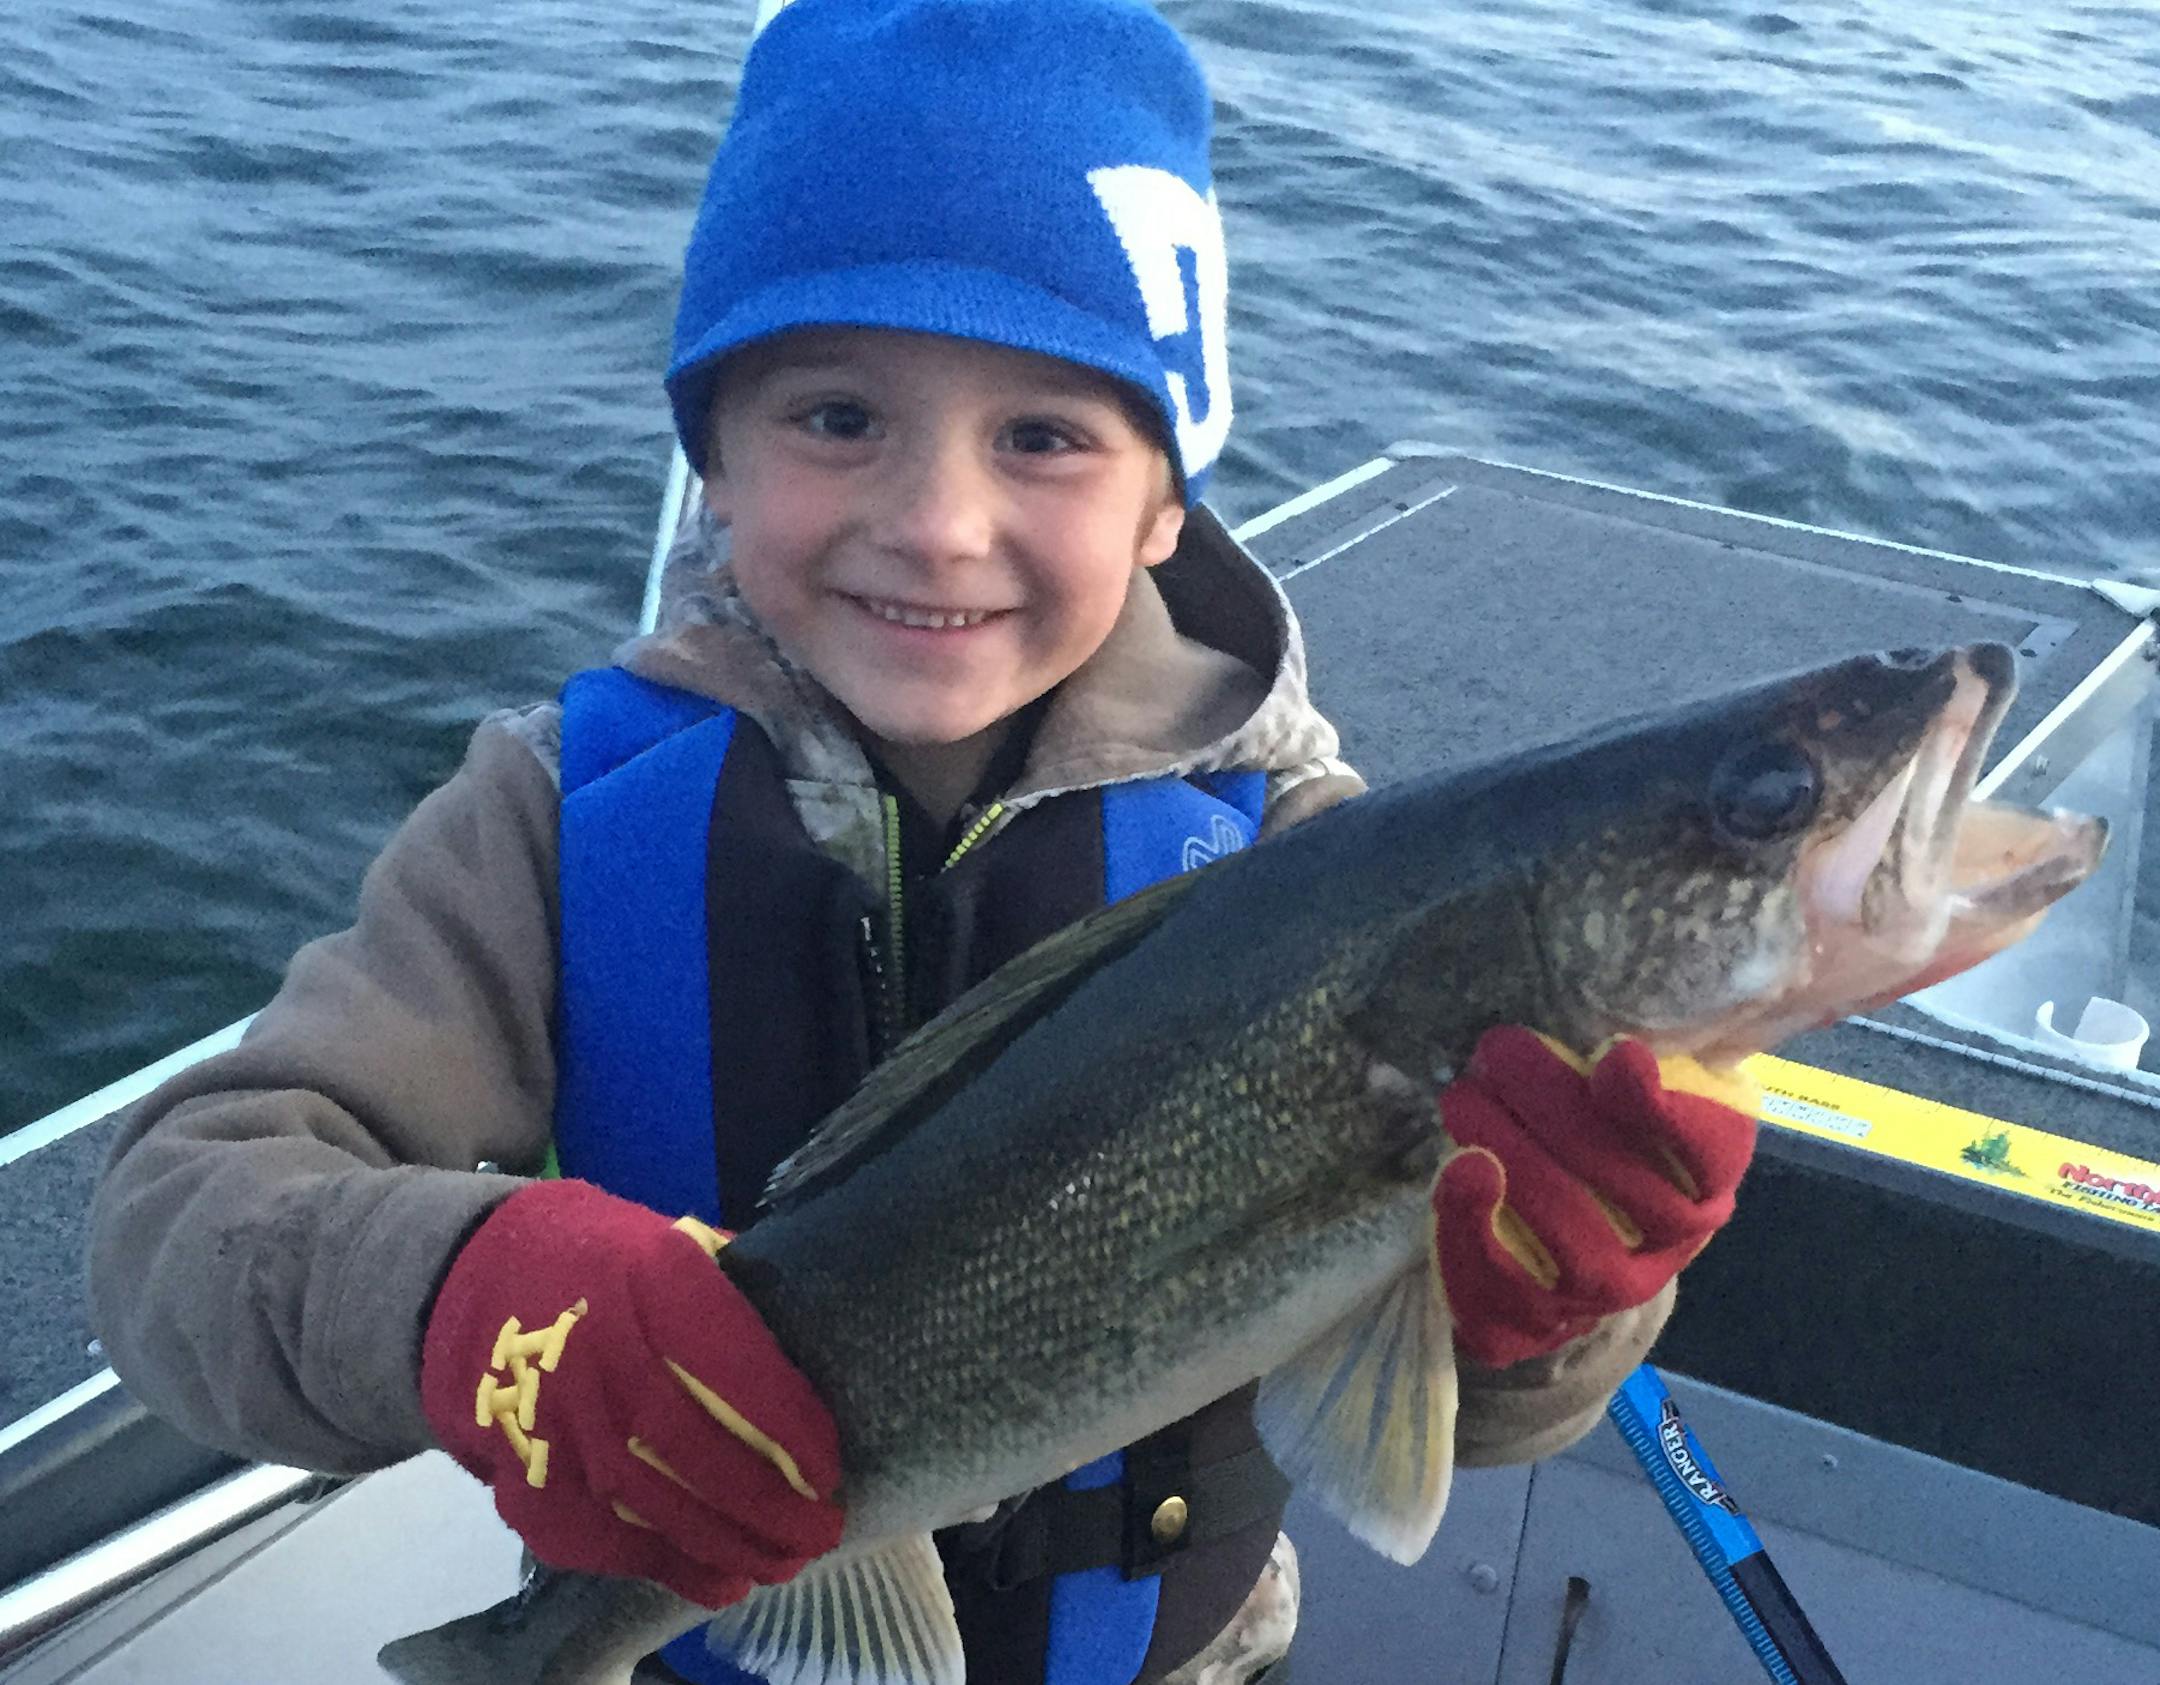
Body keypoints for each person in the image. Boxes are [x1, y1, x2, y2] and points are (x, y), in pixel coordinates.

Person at [85, 0, 1758, 1680]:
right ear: (712, 459)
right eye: (836, 417)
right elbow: (177, 1227)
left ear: (1167, 498)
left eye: (1045, 435)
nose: (938, 522)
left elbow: (1471, 1414)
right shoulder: (552, 822)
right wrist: (462, 1296)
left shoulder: (1308, 866)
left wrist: (1565, 1304)